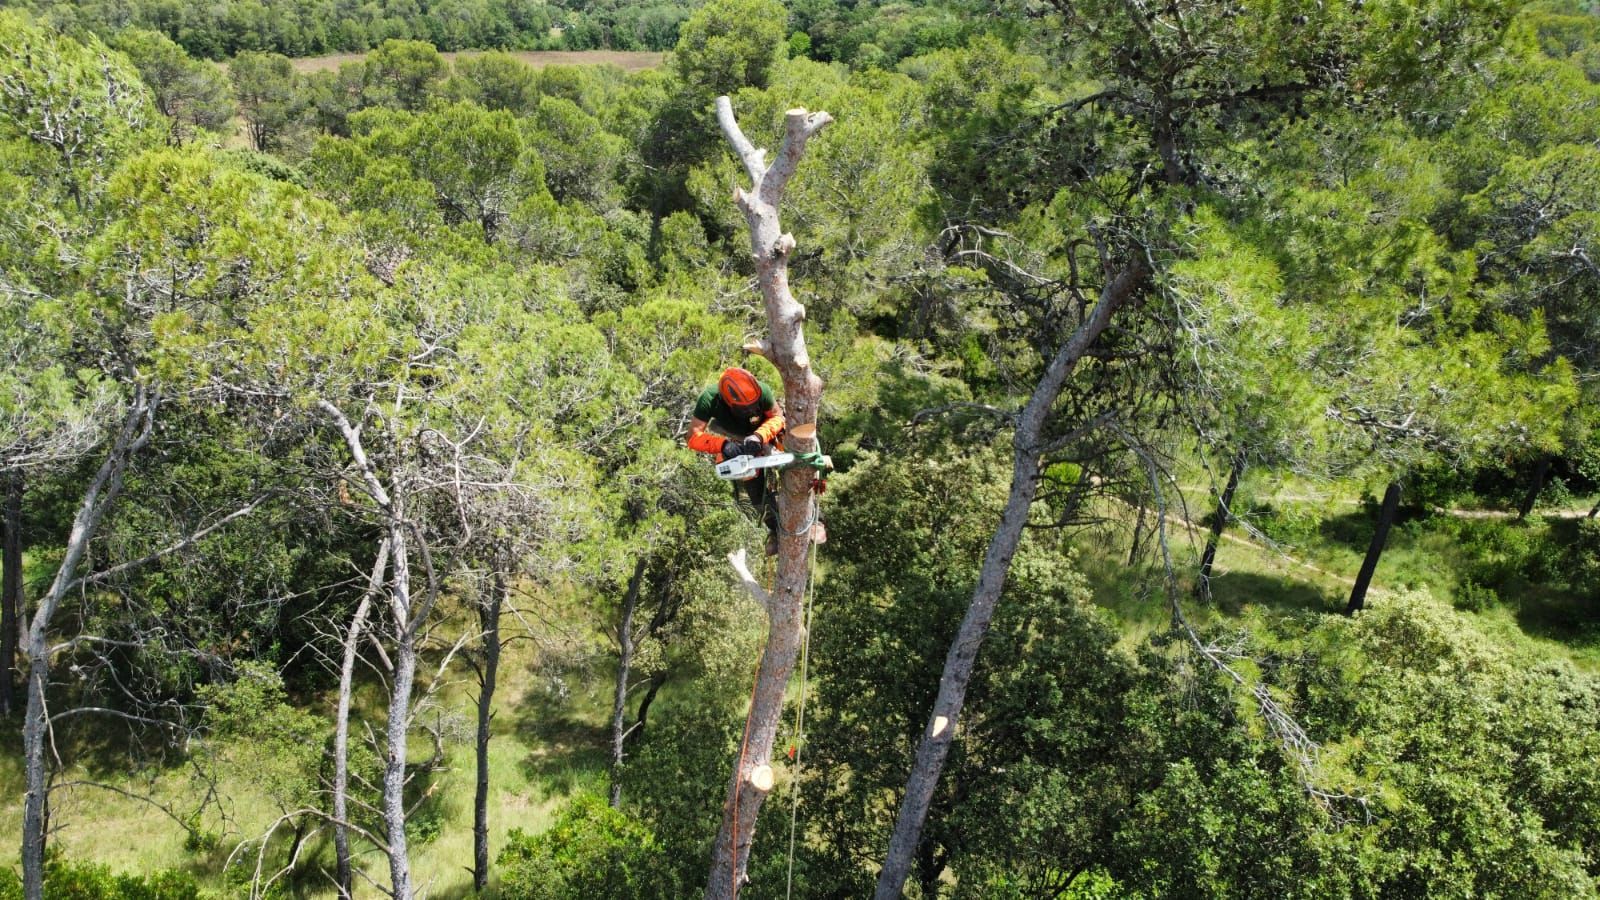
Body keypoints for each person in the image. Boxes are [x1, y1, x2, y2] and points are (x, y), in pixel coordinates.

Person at [687, 367, 785, 554]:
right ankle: (775, 528)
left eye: (754, 405)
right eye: (746, 408)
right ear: (728, 402)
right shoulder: (710, 399)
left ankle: (815, 520)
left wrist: (759, 436)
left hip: (764, 433)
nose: (752, 410)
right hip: (734, 439)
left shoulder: (762, 391)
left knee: (793, 457)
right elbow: (692, 437)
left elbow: (777, 417)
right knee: (752, 489)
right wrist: (722, 445)